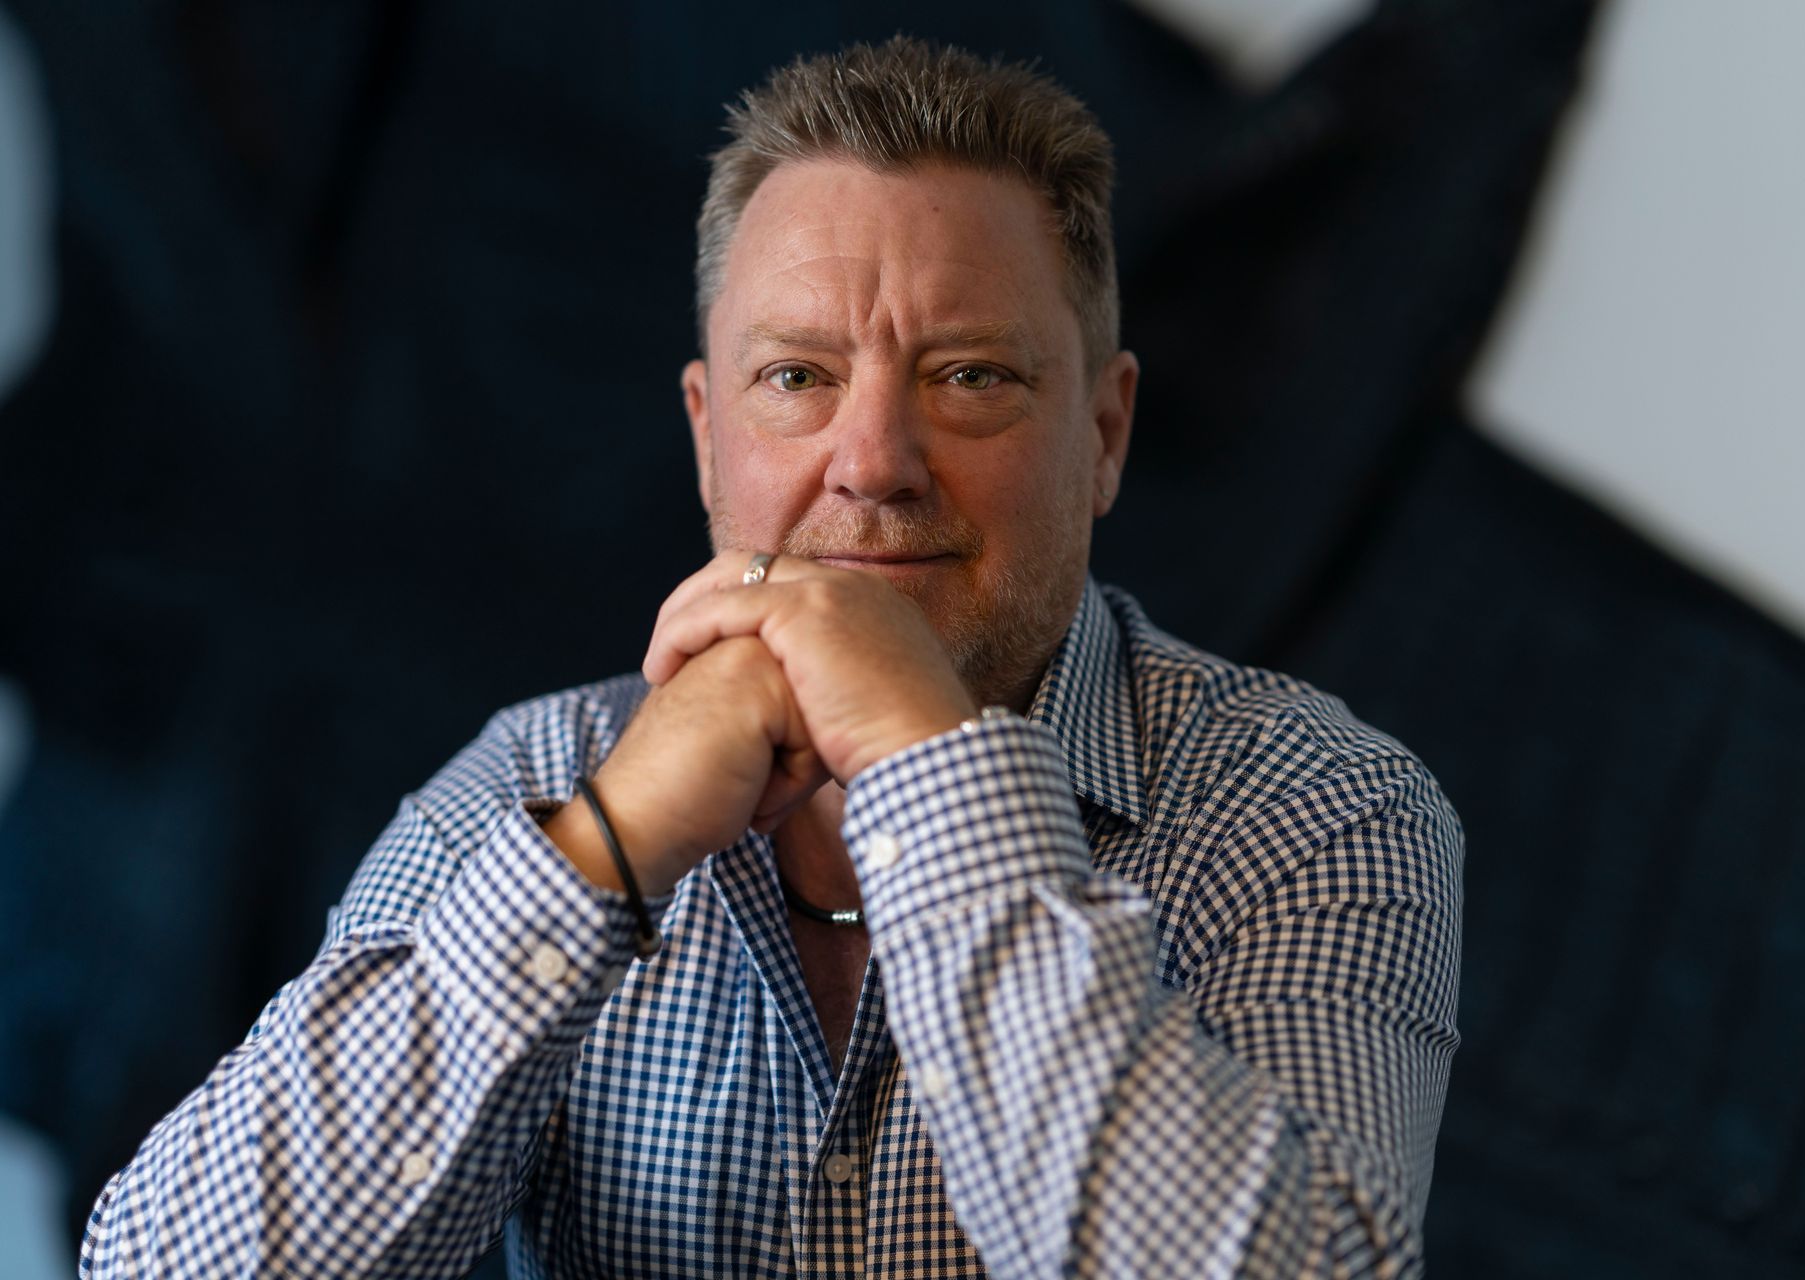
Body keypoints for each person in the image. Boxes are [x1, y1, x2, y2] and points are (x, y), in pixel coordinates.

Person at [80, 37, 1461, 1278]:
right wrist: (601, 859)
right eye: (797, 377)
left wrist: (932, 767)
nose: (873, 462)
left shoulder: (1319, 807)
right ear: (703, 433)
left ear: (1103, 435)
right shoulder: (541, 778)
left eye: (972, 374)